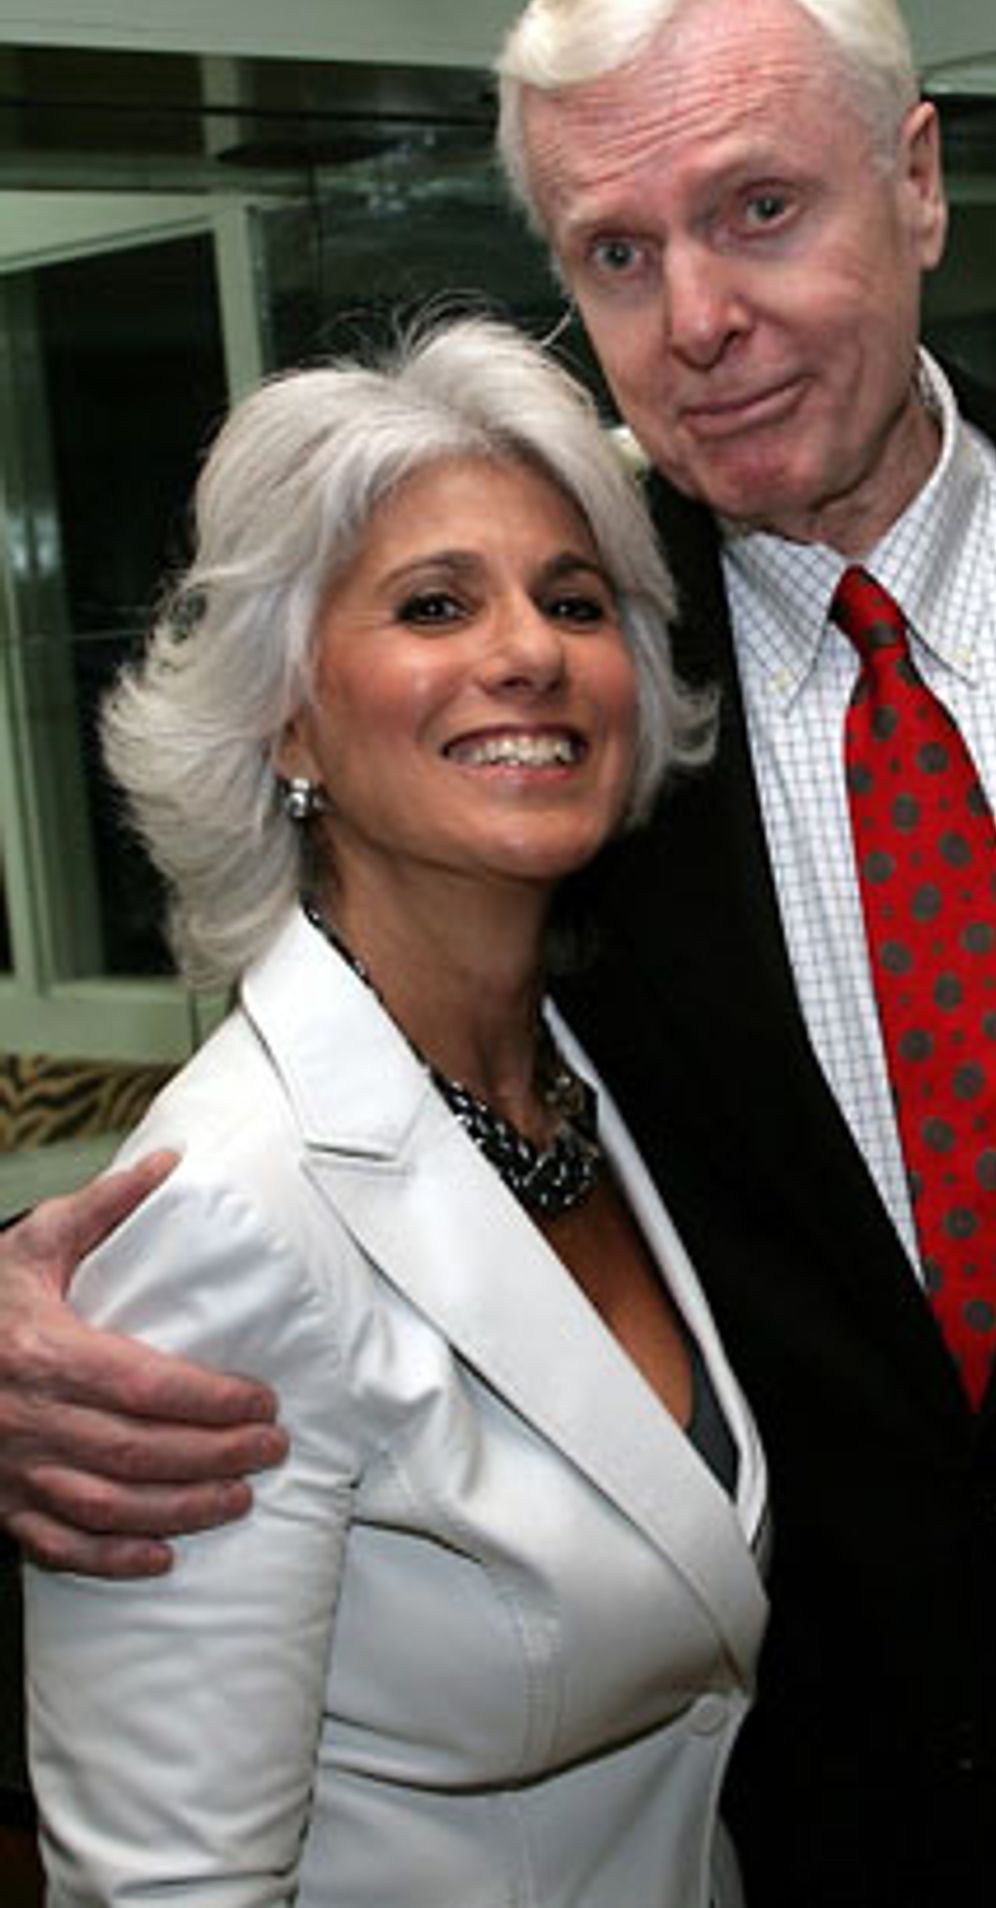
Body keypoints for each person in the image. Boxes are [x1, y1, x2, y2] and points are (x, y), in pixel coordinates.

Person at [4, 0, 996, 1908]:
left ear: (915, 182)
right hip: (835, 1832)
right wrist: (42, 1306)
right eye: (617, 254)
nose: (698, 320)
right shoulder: (572, 718)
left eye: (758, 209)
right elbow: (353, 1114)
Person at [20, 315, 768, 1908]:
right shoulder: (228, 1216)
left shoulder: (591, 1083)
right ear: (288, 719)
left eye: (575, 601)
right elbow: (169, 1884)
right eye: (436, 604)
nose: (529, 652)